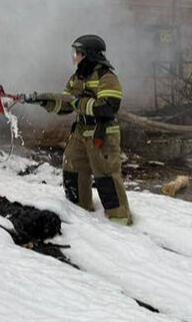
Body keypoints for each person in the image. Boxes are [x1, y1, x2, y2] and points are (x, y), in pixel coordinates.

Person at [23, 35, 132, 225]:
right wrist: (45, 102)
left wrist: (79, 103)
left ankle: (119, 220)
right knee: (72, 170)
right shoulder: (76, 78)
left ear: (88, 54)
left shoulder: (107, 77)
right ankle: (80, 214)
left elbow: (107, 107)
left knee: (105, 176)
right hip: (80, 132)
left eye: (78, 53)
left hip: (102, 133)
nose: (75, 57)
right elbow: (66, 105)